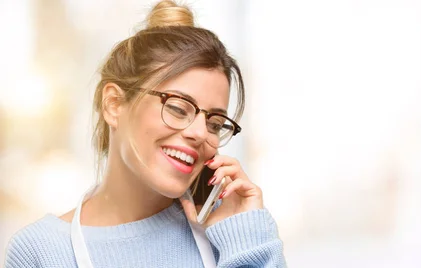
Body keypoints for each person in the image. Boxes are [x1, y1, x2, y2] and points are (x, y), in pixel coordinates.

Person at [4, 1, 285, 267]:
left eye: (214, 123)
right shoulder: (42, 252)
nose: (200, 133)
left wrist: (244, 235)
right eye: (177, 108)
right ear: (113, 105)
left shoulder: (232, 233)